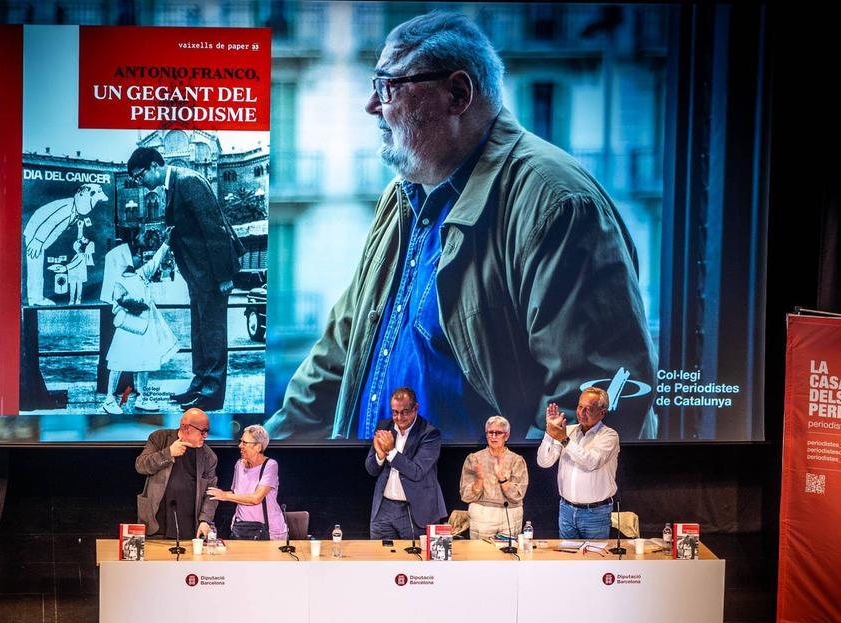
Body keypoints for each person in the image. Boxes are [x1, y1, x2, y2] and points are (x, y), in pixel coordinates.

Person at [266, 10, 657, 441]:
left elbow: (592, 400)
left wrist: (493, 497)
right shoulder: (404, 196)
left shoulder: (556, 204)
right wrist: (265, 457)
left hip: (467, 505)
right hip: (382, 495)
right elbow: (339, 353)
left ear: (456, 94)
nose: (372, 105)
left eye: (388, 86)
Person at [126, 147, 245, 411]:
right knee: (200, 331)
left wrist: (224, 276)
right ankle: (200, 384)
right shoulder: (174, 186)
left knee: (212, 332)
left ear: (155, 166)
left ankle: (212, 393)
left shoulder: (188, 181)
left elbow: (214, 229)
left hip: (212, 275)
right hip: (197, 275)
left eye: (139, 175)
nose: (139, 182)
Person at [101, 239, 179, 414]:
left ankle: (142, 397)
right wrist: (137, 303)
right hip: (127, 327)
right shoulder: (118, 281)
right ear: (125, 260)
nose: (139, 257)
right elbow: (120, 300)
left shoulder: (141, 274)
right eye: (135, 255)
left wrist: (166, 243)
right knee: (117, 362)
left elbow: (155, 261)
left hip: (143, 327)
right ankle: (109, 399)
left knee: (145, 361)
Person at [536, 386, 619, 539]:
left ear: (602, 413)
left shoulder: (609, 436)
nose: (581, 412)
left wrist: (563, 439)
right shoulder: (568, 431)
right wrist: (549, 432)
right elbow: (544, 462)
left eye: (588, 409)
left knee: (595, 560)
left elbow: (591, 462)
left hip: (595, 513)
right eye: (580, 406)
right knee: (568, 560)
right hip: (566, 509)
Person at [364, 387, 447, 539]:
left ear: (416, 408)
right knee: (381, 560)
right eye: (395, 412)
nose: (399, 417)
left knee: (414, 561)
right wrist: (380, 456)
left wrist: (391, 451)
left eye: (405, 412)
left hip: (415, 510)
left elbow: (416, 472)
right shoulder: (384, 427)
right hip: (383, 510)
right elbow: (371, 469)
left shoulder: (429, 434)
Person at [135, 408, 218, 539]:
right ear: (185, 427)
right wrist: (168, 453)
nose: (205, 436)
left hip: (188, 527)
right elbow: (141, 465)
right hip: (157, 522)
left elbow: (211, 492)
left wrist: (205, 520)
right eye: (202, 431)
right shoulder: (160, 438)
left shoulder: (208, 456)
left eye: (207, 431)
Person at [206, 424, 289, 541]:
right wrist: (219, 494)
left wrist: (225, 496)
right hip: (241, 529)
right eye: (240, 441)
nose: (240, 446)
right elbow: (237, 493)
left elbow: (256, 498)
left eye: (245, 443)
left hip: (269, 532)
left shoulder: (270, 465)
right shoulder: (239, 464)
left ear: (258, 447)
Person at [459, 415, 528, 540]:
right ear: (486, 435)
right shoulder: (474, 459)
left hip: (510, 515)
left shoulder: (516, 460)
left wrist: (501, 477)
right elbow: (465, 495)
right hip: (482, 515)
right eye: (491, 432)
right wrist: (479, 480)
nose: (494, 436)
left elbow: (518, 495)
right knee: (482, 557)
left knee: (508, 557)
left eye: (498, 433)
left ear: (506, 436)